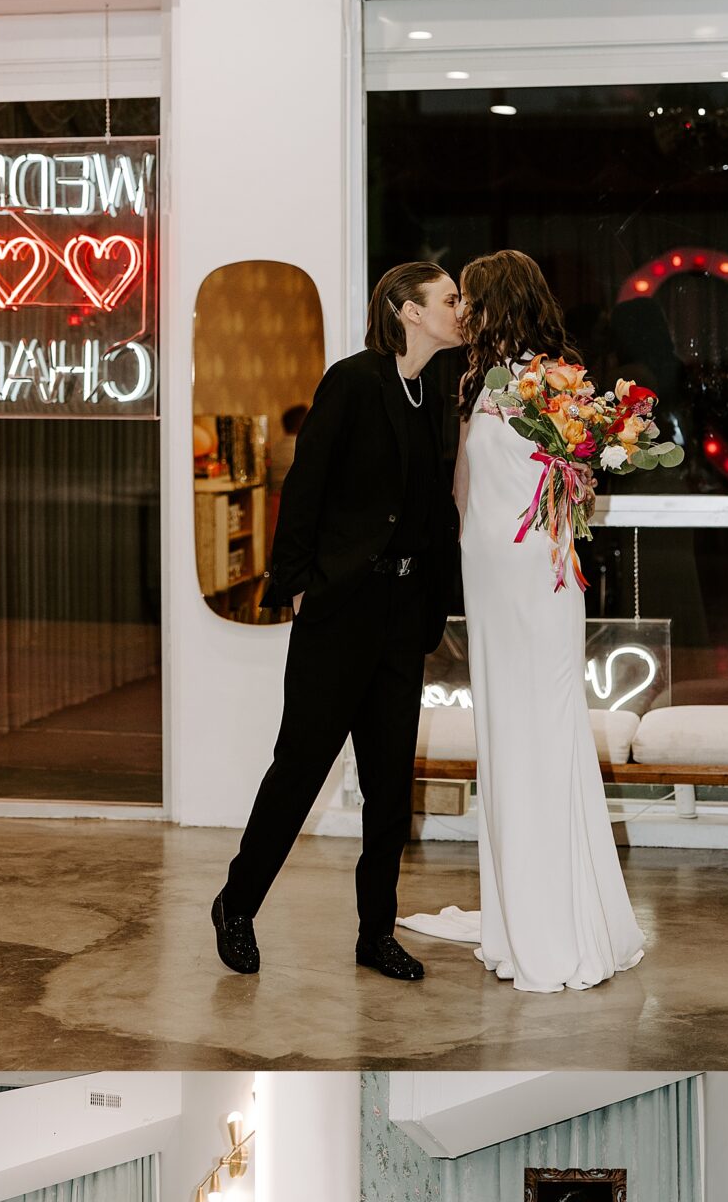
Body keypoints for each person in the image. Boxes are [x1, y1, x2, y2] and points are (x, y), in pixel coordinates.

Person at [212, 263, 463, 985]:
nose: (460, 310)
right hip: (341, 610)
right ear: (407, 312)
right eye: (449, 300)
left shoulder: (432, 394)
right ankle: (237, 903)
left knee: (388, 788)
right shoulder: (354, 382)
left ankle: (374, 934)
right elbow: (306, 484)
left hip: (401, 617)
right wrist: (296, 589)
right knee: (300, 770)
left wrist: (430, 605)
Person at [451, 249, 645, 993]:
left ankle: (558, 928)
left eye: (471, 298)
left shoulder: (552, 380)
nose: (463, 312)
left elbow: (574, 490)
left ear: (498, 302)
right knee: (508, 733)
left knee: (544, 732)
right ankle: (522, 918)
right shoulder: (483, 383)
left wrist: (577, 477)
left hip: (540, 575)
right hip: (492, 576)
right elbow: (468, 489)